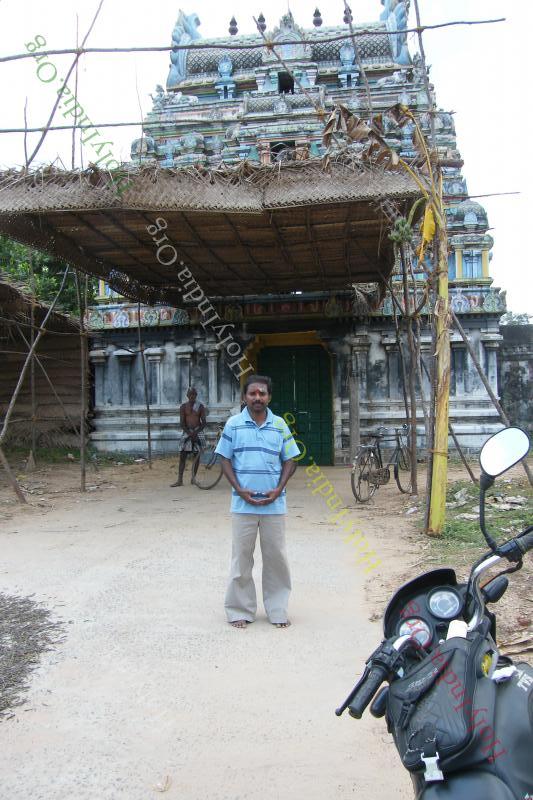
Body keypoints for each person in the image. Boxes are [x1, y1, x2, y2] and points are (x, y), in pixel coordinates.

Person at [215, 374, 300, 629]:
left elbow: (291, 459)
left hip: (274, 505)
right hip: (243, 505)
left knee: (276, 558)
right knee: (241, 558)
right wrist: (239, 489)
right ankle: (239, 609)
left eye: (262, 393)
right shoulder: (233, 425)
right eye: (252, 394)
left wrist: (279, 488)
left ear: (269, 397)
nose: (257, 398)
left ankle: (277, 609)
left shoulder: (280, 425)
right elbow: (224, 458)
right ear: (244, 397)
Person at [170, 387, 206, 487]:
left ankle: (193, 478)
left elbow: (204, 423)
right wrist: (189, 433)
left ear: (196, 395)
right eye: (190, 395)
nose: (192, 396)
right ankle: (179, 480)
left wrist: (196, 432)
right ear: (187, 396)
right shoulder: (183, 407)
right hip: (187, 432)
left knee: (197, 457)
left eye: (194, 394)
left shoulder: (200, 407)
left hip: (198, 431)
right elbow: (182, 423)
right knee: (182, 455)